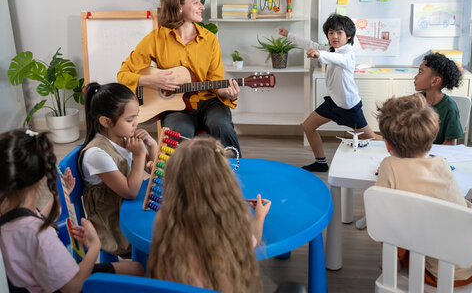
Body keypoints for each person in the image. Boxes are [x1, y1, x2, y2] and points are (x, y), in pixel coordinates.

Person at [0, 129, 143, 293]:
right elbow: (73, 287)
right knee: (137, 270)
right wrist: (95, 246)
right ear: (41, 178)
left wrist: (59, 199)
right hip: (63, 284)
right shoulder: (41, 237)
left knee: (135, 269)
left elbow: (33, 221)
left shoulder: (9, 214)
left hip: (35, 281)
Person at [374, 94, 472, 287]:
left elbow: (382, 215)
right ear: (431, 138)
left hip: (440, 272)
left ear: (387, 143)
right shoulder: (440, 162)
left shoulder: (389, 166)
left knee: (391, 218)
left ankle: (393, 263)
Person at [117, 0, 241, 155]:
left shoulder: (210, 39)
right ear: (179, 7)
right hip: (175, 107)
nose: (202, 7)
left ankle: (237, 169)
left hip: (209, 102)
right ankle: (177, 178)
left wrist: (226, 93)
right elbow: (123, 74)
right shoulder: (155, 39)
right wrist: (151, 79)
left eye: (200, 1)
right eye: (196, 1)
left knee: (220, 124)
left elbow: (216, 80)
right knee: (177, 135)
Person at [147, 136, 271, 292]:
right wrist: (259, 216)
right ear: (224, 179)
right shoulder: (231, 220)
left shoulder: (164, 218)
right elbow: (251, 242)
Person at [279, 14, 381, 172]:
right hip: (333, 103)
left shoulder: (348, 53)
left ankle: (399, 150)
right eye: (331, 32)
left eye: (339, 33)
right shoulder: (330, 49)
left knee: (371, 138)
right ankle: (320, 163)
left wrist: (319, 54)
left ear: (348, 36)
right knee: (308, 126)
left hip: (348, 107)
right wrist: (288, 35)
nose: (334, 36)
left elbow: (336, 59)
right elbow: (310, 44)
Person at [80, 82, 158, 257]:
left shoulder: (124, 137)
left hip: (131, 210)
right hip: (115, 225)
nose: (136, 123)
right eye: (129, 120)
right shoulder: (96, 154)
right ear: (106, 121)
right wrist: (138, 156)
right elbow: (130, 192)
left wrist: (151, 145)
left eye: (136, 116)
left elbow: (154, 170)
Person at [414, 52, 463, 145]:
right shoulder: (415, 100)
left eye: (420, 72)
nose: (415, 77)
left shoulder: (450, 108)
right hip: (414, 152)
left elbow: (449, 143)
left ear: (435, 81)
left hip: (436, 156)